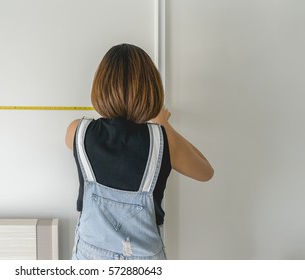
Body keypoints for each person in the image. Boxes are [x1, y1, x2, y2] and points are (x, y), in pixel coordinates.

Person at [65, 43, 213, 260]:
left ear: (100, 87)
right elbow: (205, 171)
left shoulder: (77, 131)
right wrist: (164, 124)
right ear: (151, 89)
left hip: (89, 256)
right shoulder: (163, 139)